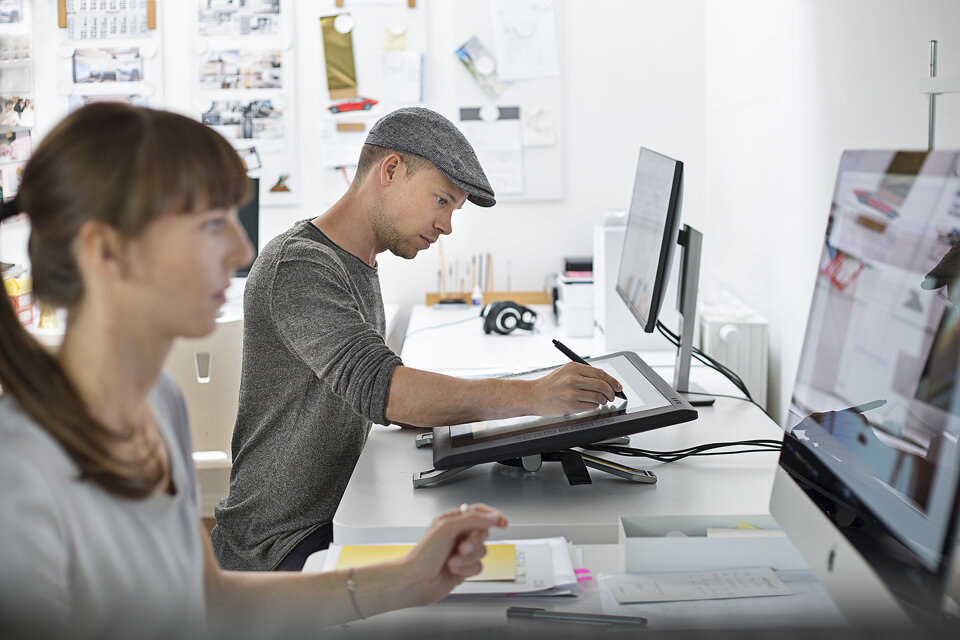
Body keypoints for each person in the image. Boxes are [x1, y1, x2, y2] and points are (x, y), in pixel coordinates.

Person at [0, 103, 508, 638]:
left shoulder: (157, 403)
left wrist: (408, 579)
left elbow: (208, 599)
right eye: (209, 225)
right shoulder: (22, 462)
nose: (243, 249)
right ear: (105, 251)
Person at [212, 107, 623, 572]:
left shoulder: (355, 261)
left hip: (331, 515)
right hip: (279, 545)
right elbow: (382, 390)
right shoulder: (302, 266)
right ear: (390, 170)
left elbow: (378, 391)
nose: (446, 225)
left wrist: (495, 413)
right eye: (441, 200)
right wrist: (529, 395)